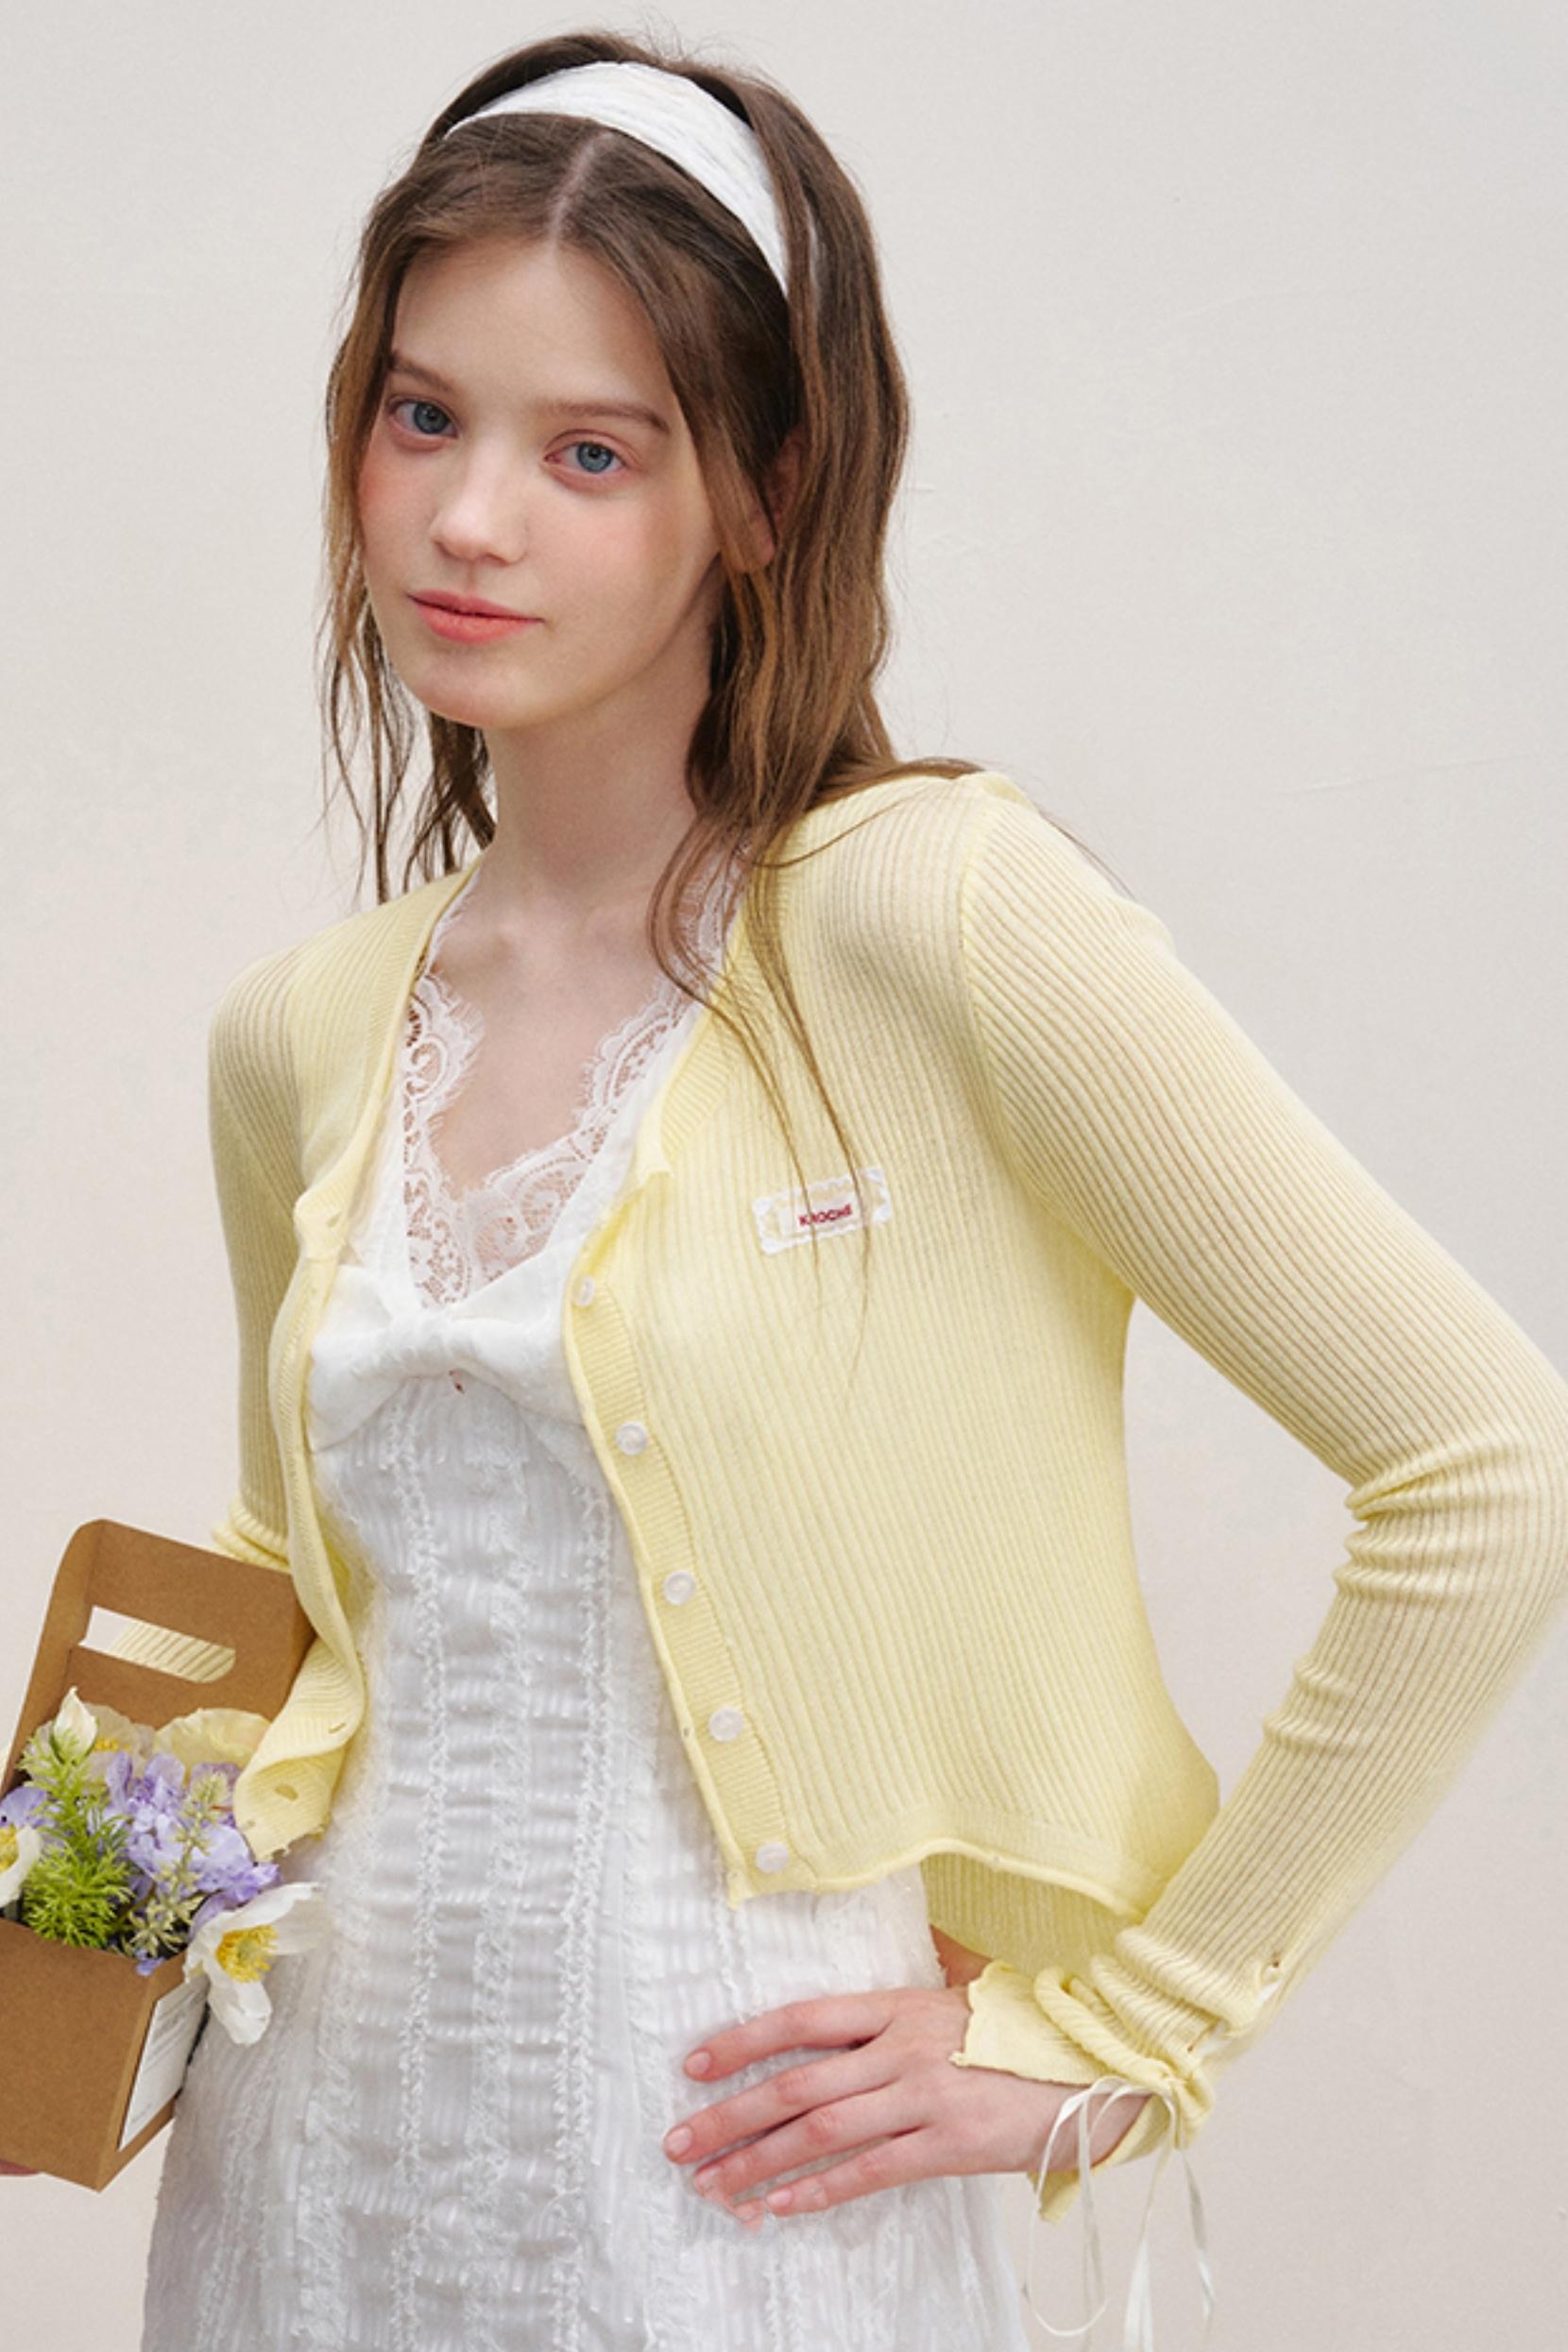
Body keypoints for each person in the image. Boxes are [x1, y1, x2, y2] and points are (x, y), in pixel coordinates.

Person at [12, 26, 1563, 2351]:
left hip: (730, 2190)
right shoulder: (300, 1031)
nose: (465, 520)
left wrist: (1124, 2034)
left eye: (590, 450)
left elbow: (1478, 1461)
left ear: (761, 493)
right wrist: (89, 1869)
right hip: (302, 2179)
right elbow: (307, 1564)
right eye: (421, 415)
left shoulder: (930, 917)